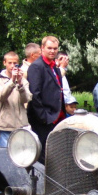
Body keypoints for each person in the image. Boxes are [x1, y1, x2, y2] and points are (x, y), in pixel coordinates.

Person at [27, 36, 66, 164]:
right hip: (43, 119)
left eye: (55, 48)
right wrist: (45, 117)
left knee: (54, 153)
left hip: (56, 117)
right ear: (42, 48)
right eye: (49, 48)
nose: (52, 51)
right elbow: (35, 94)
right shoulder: (37, 67)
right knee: (42, 155)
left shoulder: (54, 67)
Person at [0, 51, 32, 147]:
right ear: (4, 63)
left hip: (21, 125)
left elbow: (27, 98)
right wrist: (12, 81)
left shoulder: (23, 81)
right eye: (10, 63)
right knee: (5, 156)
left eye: (15, 63)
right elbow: (1, 96)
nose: (12, 66)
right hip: (5, 125)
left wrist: (20, 84)